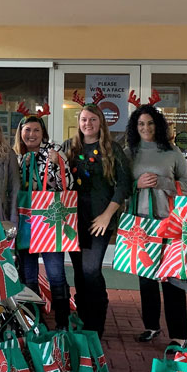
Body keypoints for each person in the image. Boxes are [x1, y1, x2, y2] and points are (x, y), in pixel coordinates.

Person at [125, 104, 187, 347]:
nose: (145, 128)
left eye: (150, 123)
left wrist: (164, 182)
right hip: (141, 224)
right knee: (146, 278)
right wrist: (137, 185)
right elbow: (120, 187)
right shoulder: (128, 153)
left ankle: (179, 335)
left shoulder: (172, 153)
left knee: (173, 278)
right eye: (141, 124)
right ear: (135, 127)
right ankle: (151, 326)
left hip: (170, 224)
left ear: (159, 125)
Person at [64, 104, 132, 337]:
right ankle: (84, 320)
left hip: (99, 220)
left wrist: (107, 215)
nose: (88, 124)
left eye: (93, 120)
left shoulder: (112, 149)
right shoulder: (69, 147)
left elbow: (123, 185)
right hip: (73, 220)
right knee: (80, 274)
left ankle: (97, 322)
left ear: (101, 122)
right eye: (84, 119)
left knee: (92, 270)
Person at [13, 115, 72, 328]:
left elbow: (69, 183)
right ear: (20, 132)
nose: (31, 134)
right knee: (28, 276)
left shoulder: (55, 153)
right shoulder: (14, 156)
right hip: (24, 221)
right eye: (27, 130)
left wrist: (56, 166)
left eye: (36, 130)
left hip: (49, 221)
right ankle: (34, 321)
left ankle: (63, 321)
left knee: (56, 274)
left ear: (43, 133)